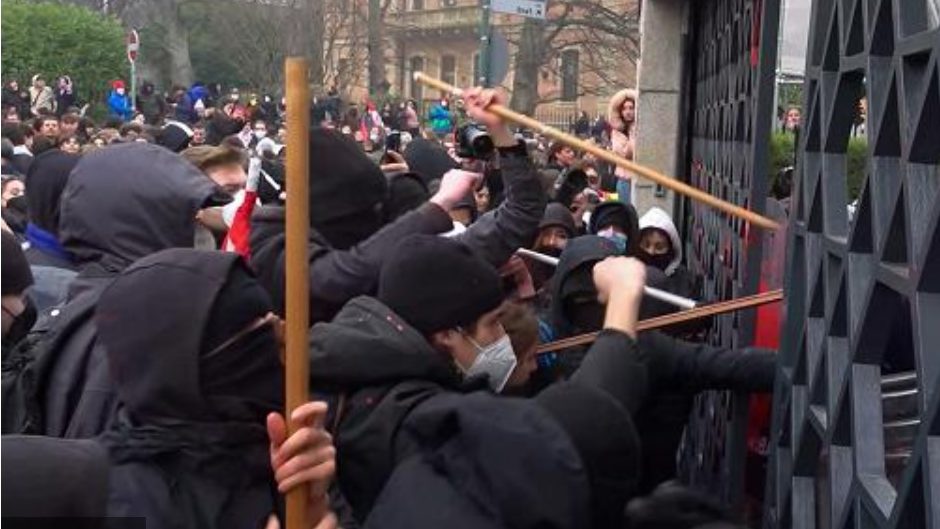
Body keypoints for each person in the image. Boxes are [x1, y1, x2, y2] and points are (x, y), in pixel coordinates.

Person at [312, 234, 648, 526]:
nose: (503, 337)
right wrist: (622, 303)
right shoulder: (407, 418)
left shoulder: (364, 368)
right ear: (446, 334)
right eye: (492, 324)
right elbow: (553, 445)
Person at [250, 87, 545, 324]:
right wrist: (438, 206)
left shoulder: (407, 249)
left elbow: (520, 213)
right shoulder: (274, 235)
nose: (368, 220)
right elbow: (336, 278)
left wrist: (500, 133)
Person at [94, 248, 336, 529]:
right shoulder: (118, 505)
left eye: (275, 319)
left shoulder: (283, 446)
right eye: (262, 329)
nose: (284, 337)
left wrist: (316, 506)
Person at [12, 143, 230, 437]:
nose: (198, 233)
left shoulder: (88, 302)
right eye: (185, 218)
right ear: (150, 219)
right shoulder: (136, 325)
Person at [637, 206, 702, 302]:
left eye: (659, 247)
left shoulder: (685, 281)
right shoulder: (626, 276)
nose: (651, 252)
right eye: (646, 245)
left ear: (671, 250)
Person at [608, 88, 637, 203]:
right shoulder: (616, 133)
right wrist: (633, 133)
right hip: (625, 180)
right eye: (624, 109)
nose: (628, 112)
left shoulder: (642, 128)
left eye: (631, 108)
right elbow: (626, 154)